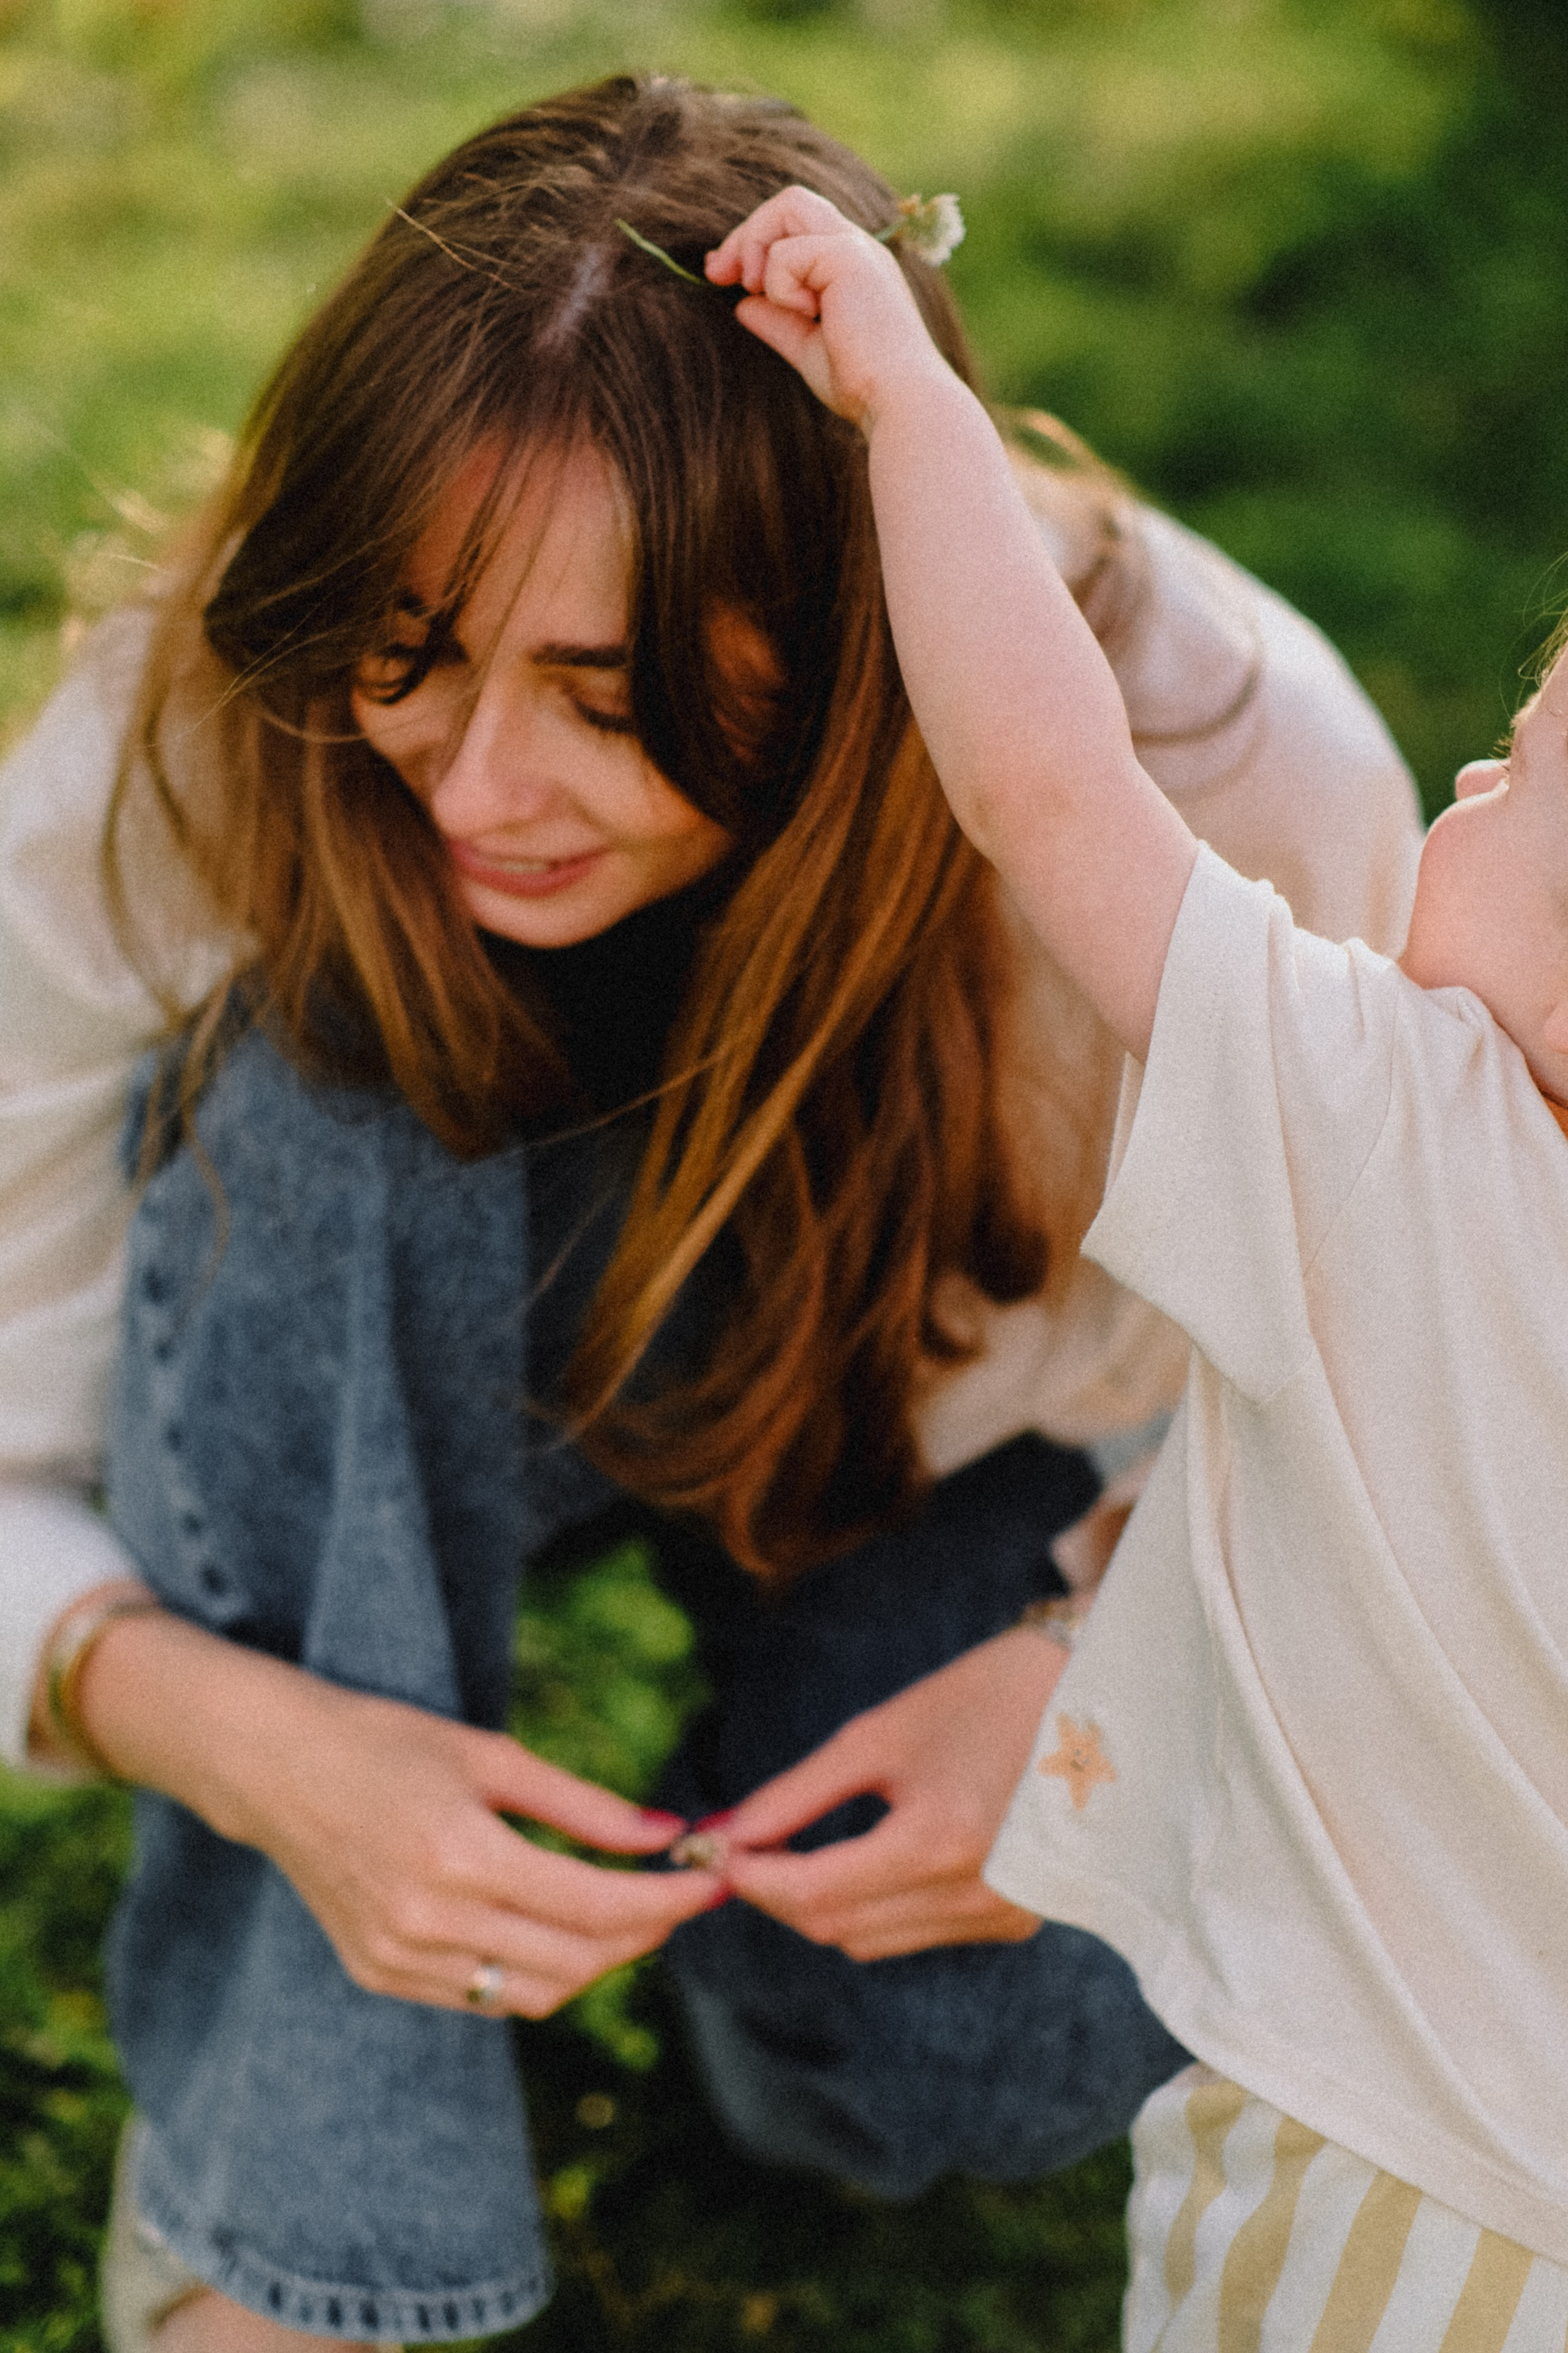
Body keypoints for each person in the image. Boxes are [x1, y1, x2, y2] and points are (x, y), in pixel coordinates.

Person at [0, 75, 1423, 2353]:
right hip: (376, 1338)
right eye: (412, 648)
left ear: (853, 624)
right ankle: (288, 2235)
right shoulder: (191, 737)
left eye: (608, 696)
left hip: (926, 1441)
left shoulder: (1227, 781)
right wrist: (256, 1742)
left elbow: (1419, 1406)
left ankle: (722, 1921)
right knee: (331, 1097)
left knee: (973, 2053)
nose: (476, 783)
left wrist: (1100, 1664)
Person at [720, 182, 1568, 2346]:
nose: (1461, 766)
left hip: (1382, 2182)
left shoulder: (1393, 1127)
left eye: (1518, 767)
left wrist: (907, 393)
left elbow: (1046, 783)